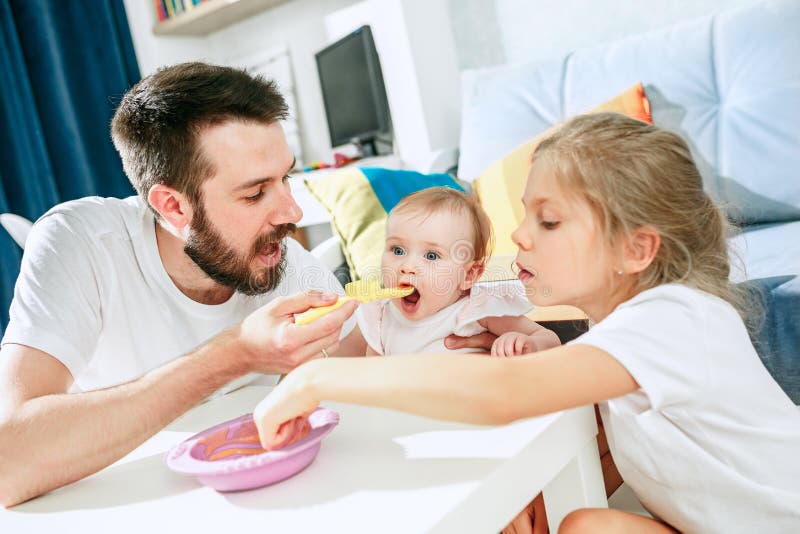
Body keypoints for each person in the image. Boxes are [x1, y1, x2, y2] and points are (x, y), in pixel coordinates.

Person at [253, 113, 800, 532]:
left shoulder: (676, 316)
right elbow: (635, 447)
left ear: (636, 249)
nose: (519, 235)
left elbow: (505, 392)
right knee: (585, 524)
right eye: (524, 214)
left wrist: (315, 378)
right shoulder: (616, 337)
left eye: (550, 220)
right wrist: (526, 492)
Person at [0, 62, 365, 507]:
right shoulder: (81, 243)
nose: (291, 212)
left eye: (285, 178)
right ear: (173, 207)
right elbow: (8, 464)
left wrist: (435, 323)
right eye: (254, 194)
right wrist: (234, 354)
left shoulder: (276, 257)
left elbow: (355, 366)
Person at [356, 186, 559, 357]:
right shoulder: (380, 317)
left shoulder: (476, 310)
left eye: (431, 256)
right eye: (397, 250)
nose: (406, 267)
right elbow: (370, 382)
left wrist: (525, 343)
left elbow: (549, 339)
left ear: (469, 274)